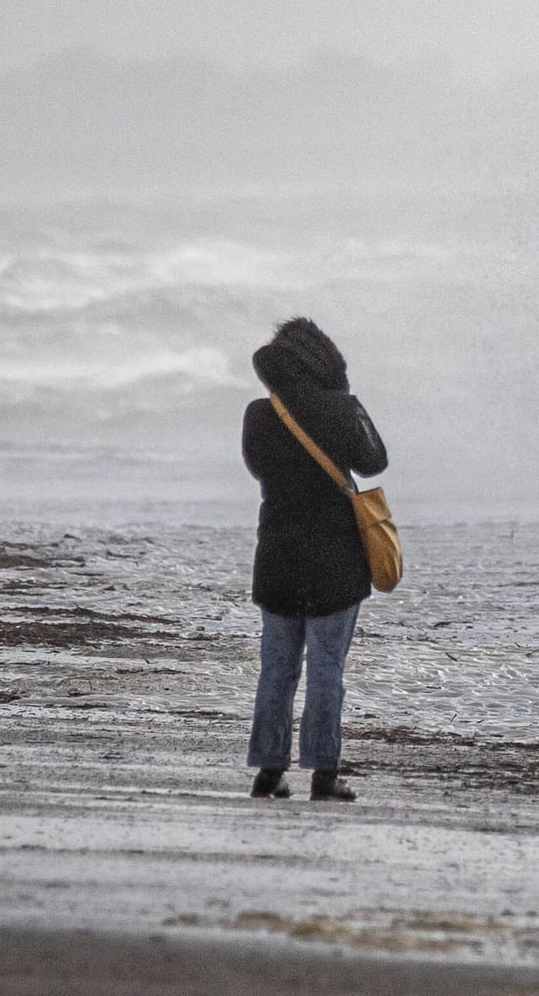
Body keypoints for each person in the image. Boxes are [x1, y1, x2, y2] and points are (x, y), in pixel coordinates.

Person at [241, 317, 388, 801]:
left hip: (278, 555)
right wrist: (350, 404)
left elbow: (258, 468)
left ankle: (269, 770)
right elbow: (373, 461)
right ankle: (324, 774)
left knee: (276, 669)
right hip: (337, 559)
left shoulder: (260, 414)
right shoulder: (341, 408)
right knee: (327, 669)